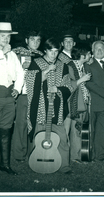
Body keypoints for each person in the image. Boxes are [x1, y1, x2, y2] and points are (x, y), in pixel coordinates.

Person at [26, 38, 73, 174]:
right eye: (50, 51)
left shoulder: (63, 66)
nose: (53, 54)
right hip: (40, 106)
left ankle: (64, 165)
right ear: (45, 50)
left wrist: (57, 89)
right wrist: (45, 72)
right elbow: (29, 82)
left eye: (56, 51)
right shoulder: (36, 63)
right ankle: (34, 161)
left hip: (56, 108)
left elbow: (68, 86)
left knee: (62, 137)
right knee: (38, 135)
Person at [12, 30, 43, 162]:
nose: (35, 43)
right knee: (21, 124)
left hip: (38, 94)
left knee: (35, 123)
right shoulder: (16, 52)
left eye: (38, 40)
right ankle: (19, 154)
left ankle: (33, 151)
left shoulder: (42, 55)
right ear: (26, 41)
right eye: (32, 40)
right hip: (23, 93)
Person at [0, 22, 24, 175]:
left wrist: (17, 88)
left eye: (8, 36)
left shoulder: (13, 55)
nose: (6, 39)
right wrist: (3, 53)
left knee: (6, 130)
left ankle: (5, 164)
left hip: (9, 97)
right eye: (2, 36)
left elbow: (20, 73)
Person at [68, 43, 92, 162]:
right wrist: (81, 80)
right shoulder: (70, 66)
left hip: (81, 103)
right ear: (82, 55)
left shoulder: (82, 67)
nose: (90, 55)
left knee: (77, 130)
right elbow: (67, 85)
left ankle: (75, 156)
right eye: (88, 54)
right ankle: (68, 156)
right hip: (71, 105)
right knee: (69, 130)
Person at [58, 31, 77, 136]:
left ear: (74, 43)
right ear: (62, 43)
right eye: (66, 41)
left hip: (76, 92)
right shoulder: (59, 57)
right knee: (66, 119)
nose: (69, 43)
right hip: (65, 92)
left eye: (71, 41)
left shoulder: (77, 56)